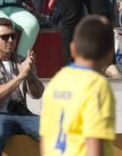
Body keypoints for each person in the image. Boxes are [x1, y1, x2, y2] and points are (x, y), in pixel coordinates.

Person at [40, 15, 116, 156]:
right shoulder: (96, 85)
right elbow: (94, 141)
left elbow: (46, 139)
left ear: (72, 49)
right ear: (110, 55)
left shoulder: (56, 82)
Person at [0, 17, 44, 156]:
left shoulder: (22, 61)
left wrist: (29, 74)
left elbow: (37, 94)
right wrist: (20, 77)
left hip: (22, 114)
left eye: (13, 36)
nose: (10, 40)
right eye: (5, 37)